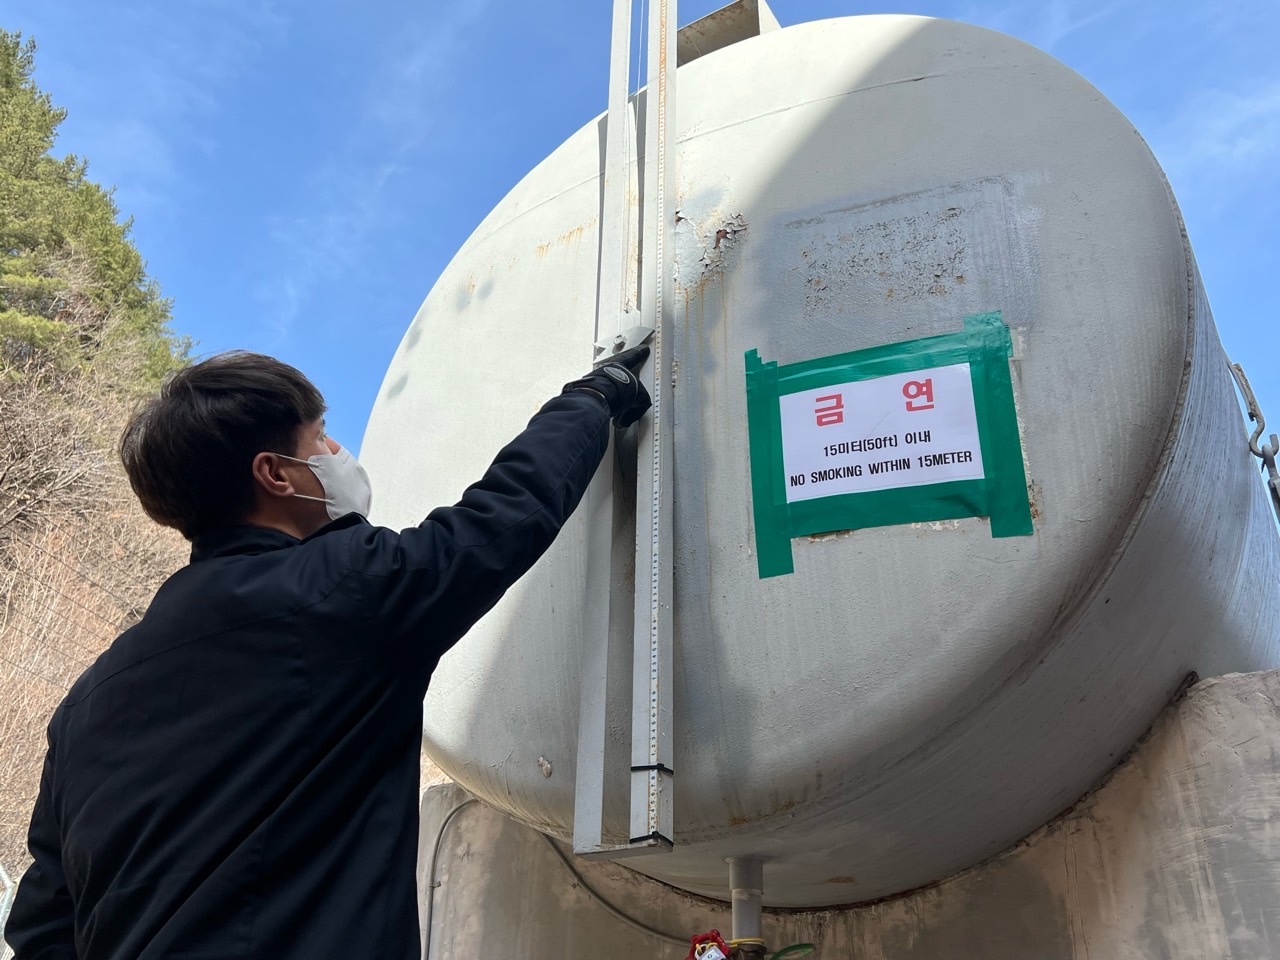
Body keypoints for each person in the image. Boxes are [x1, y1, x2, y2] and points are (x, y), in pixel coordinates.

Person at [5, 346, 651, 960]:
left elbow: (42, 926)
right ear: (274, 473)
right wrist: (595, 397)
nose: (337, 451)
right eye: (320, 437)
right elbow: (500, 517)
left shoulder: (83, 706)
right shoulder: (339, 591)